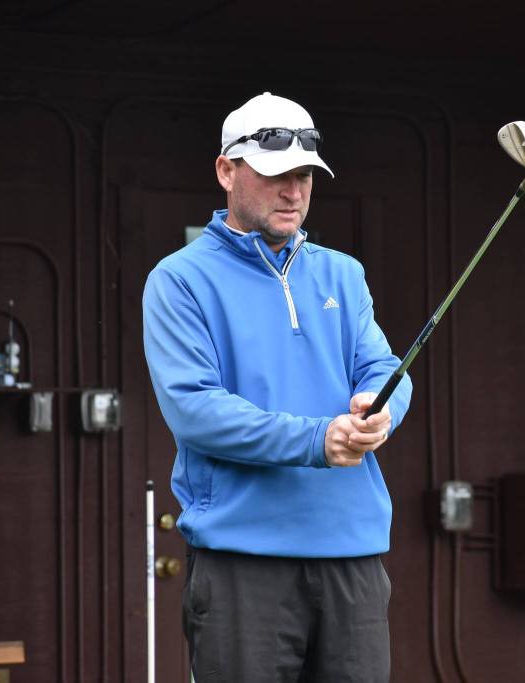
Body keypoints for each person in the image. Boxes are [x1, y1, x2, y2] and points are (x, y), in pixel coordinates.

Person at [142, 91, 412, 682]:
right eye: (274, 175)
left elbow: (383, 367)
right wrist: (318, 440)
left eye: (305, 175)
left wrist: (380, 404)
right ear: (226, 170)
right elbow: (195, 410)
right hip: (243, 563)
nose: (294, 192)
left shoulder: (343, 272)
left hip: (353, 556)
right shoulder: (180, 281)